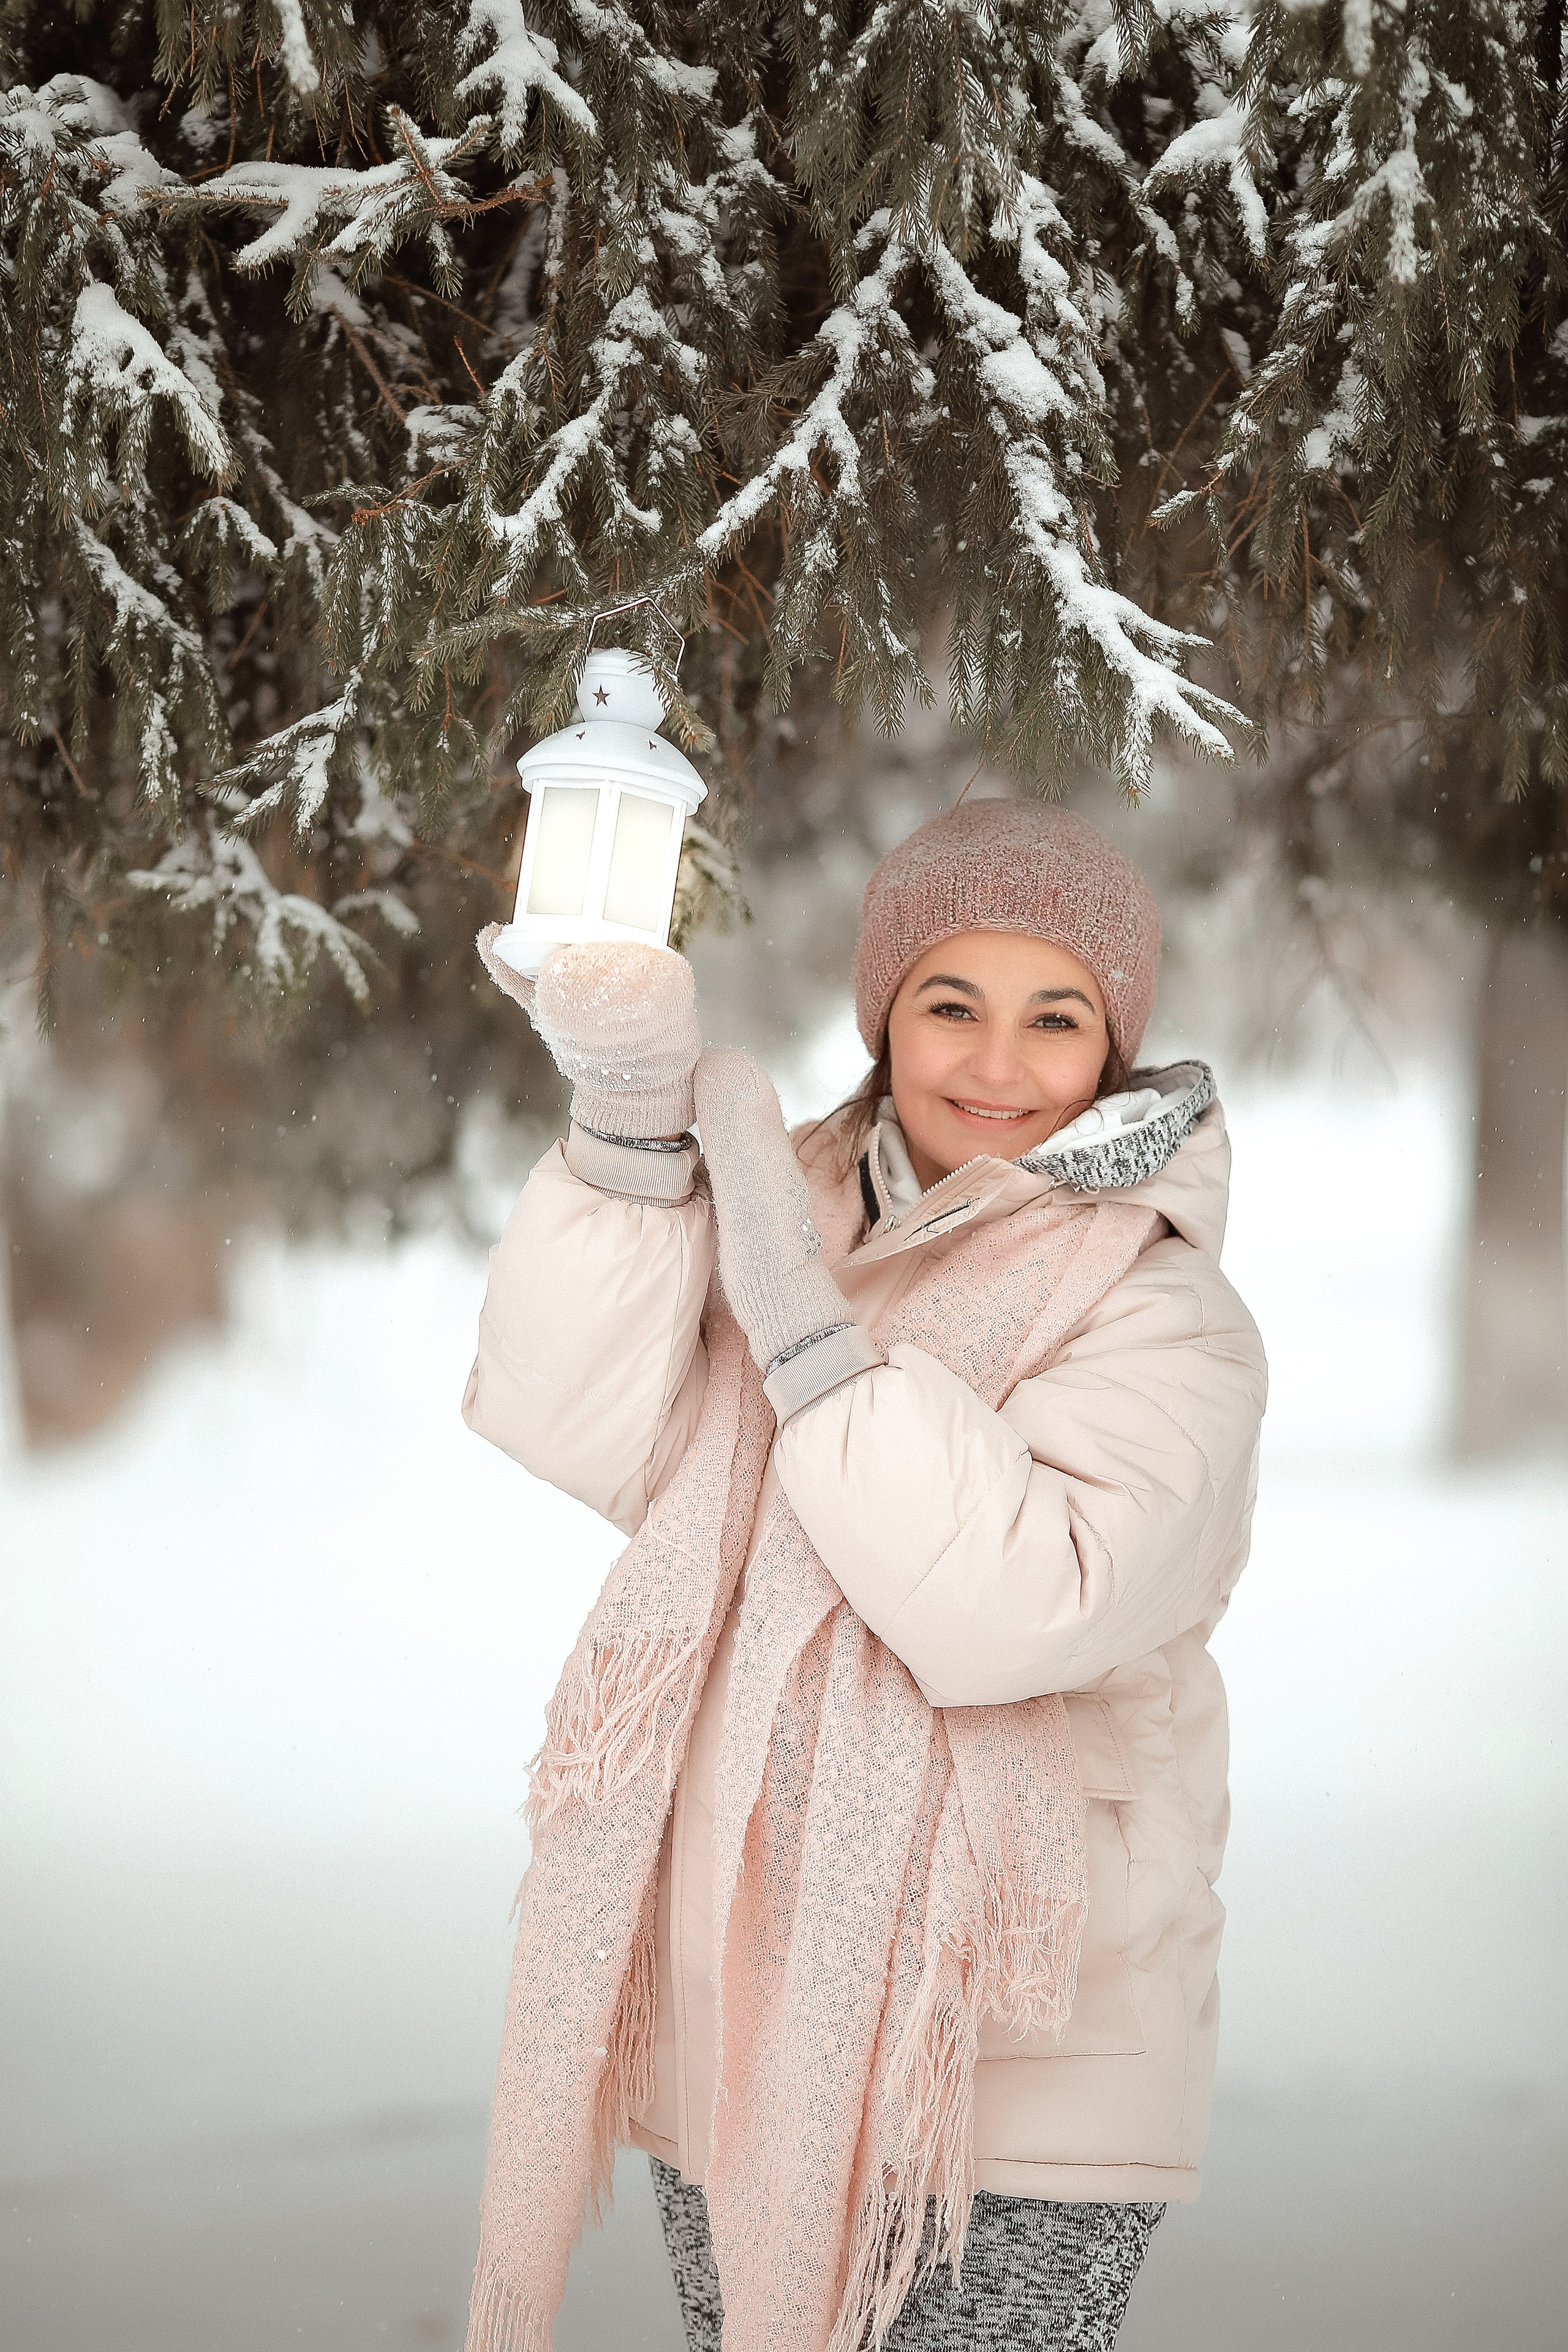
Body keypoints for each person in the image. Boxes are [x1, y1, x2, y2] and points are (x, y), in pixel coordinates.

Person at [461, 799, 1267, 2352]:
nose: (995, 1062)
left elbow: (1009, 1607)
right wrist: (629, 1138)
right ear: (881, 1019)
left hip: (1013, 2056)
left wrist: (810, 1341)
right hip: (737, 2006)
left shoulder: (1164, 1313)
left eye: (1055, 1018)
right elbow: (579, 1421)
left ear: (1113, 1049)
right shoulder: (785, 1212)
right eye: (948, 1003)